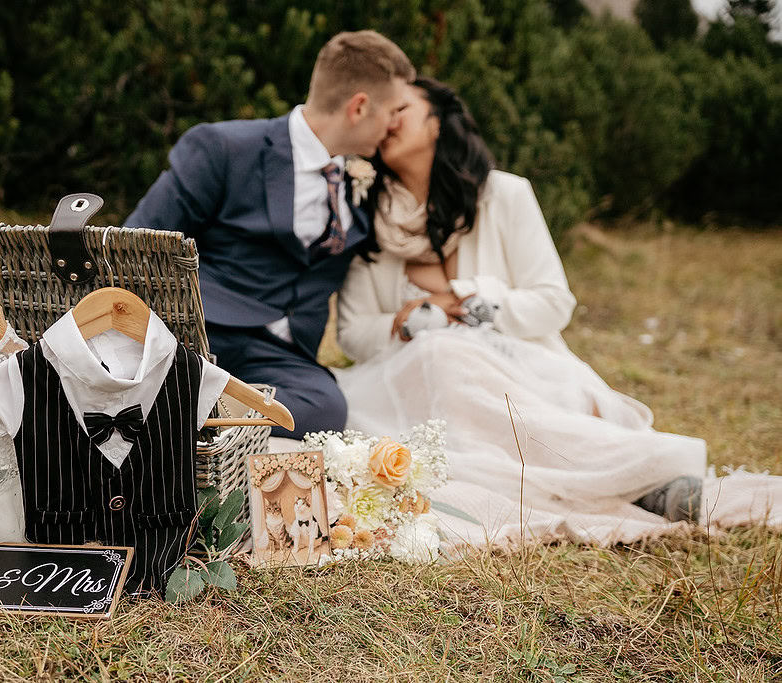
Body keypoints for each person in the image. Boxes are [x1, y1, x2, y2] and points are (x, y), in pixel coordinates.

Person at [334, 78, 782, 547]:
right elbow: (352, 333)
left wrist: (464, 301)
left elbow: (553, 302)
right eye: (380, 112)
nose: (386, 120)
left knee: (458, 356)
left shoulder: (505, 196)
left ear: (437, 123)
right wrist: (406, 323)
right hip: (411, 381)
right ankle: (641, 485)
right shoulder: (367, 219)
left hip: (520, 370)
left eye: (399, 109)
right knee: (441, 354)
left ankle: (649, 483)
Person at [125, 31, 414, 438]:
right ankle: (186, 406)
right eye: (394, 111)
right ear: (360, 106)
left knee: (327, 407)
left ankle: (193, 414)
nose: (396, 124)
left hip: (279, 358)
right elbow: (133, 247)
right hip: (199, 334)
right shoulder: (225, 148)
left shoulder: (362, 183)